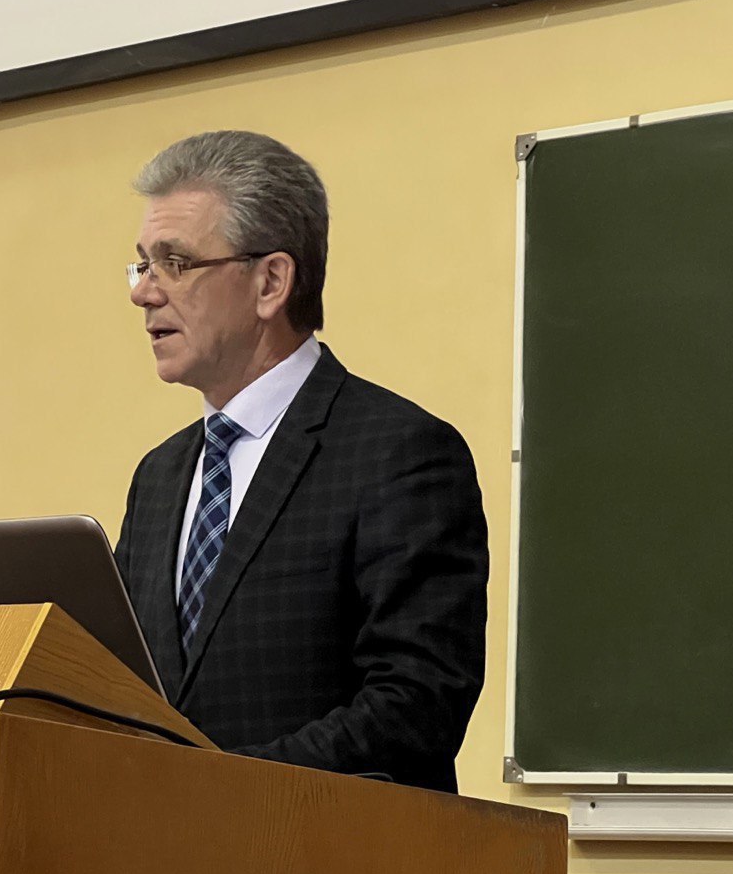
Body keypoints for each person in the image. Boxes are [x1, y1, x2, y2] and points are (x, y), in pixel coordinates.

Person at [113, 131, 488, 794]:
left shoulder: (399, 454)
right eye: (142, 265)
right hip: (158, 852)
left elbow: (416, 705)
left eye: (174, 263)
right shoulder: (159, 477)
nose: (144, 293)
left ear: (271, 282)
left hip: (324, 850)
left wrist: (224, 788)